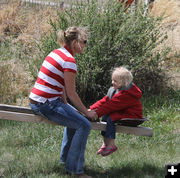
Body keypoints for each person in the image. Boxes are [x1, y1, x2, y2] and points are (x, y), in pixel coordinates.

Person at [29, 26, 97, 178]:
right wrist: (86, 112)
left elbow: (59, 85)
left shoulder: (57, 52)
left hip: (37, 100)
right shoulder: (69, 60)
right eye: (84, 41)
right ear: (75, 43)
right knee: (84, 124)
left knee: (76, 118)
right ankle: (75, 171)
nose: (86, 45)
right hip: (46, 104)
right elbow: (72, 93)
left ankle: (65, 161)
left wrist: (66, 105)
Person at [89, 67, 143, 156]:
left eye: (115, 81)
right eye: (112, 80)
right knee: (106, 116)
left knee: (111, 118)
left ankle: (111, 144)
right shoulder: (116, 90)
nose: (112, 82)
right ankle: (106, 143)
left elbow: (110, 106)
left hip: (132, 115)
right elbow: (105, 101)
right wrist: (91, 109)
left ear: (124, 83)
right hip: (124, 112)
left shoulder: (126, 94)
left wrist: (96, 114)